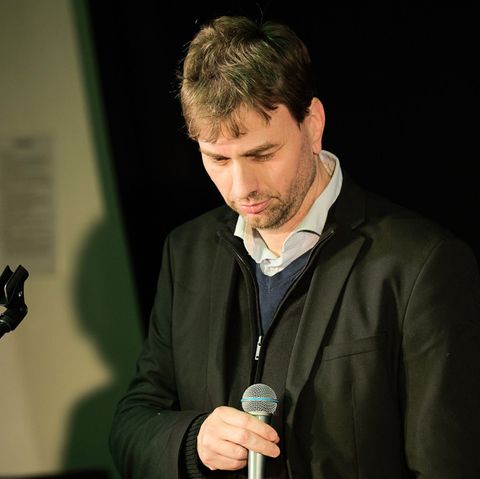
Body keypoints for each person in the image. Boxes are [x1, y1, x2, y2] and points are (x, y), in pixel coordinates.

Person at [109, 15, 480, 479]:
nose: (242, 187)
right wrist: (194, 440)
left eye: (262, 154)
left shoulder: (420, 263)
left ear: (313, 124)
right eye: (217, 158)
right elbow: (131, 426)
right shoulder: (186, 254)